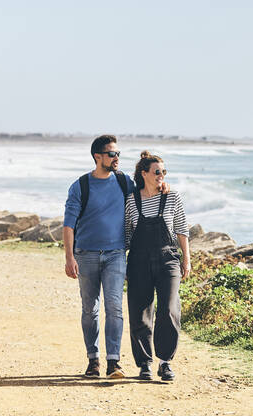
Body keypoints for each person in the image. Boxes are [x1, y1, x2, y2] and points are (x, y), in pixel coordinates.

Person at [63, 135, 167, 379]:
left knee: (114, 308)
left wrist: (163, 185)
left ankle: (113, 362)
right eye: (112, 154)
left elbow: (146, 190)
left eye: (118, 153)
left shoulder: (123, 182)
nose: (117, 158)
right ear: (98, 157)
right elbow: (68, 225)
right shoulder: (80, 186)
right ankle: (93, 360)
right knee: (90, 309)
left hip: (116, 254)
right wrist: (69, 257)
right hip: (85, 254)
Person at [125, 151, 190, 382]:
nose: (161, 175)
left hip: (168, 258)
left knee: (169, 309)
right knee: (139, 312)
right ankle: (144, 364)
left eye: (164, 171)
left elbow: (182, 229)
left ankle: (165, 362)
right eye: (157, 172)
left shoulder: (172, 196)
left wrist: (186, 259)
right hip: (139, 260)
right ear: (144, 174)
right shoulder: (132, 199)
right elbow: (127, 234)